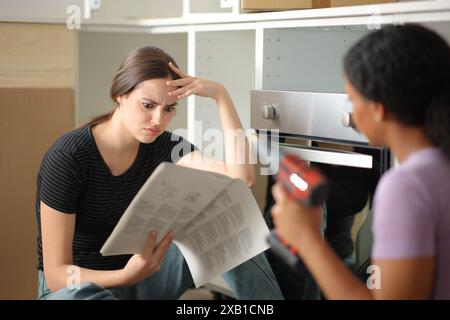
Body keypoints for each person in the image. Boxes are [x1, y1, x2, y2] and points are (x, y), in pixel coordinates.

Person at [36, 46, 283, 300]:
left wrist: (220, 95)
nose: (157, 120)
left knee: (228, 223)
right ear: (121, 95)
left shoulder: (166, 145)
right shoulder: (69, 157)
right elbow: (56, 276)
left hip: (144, 281)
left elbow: (242, 180)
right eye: (148, 105)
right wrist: (125, 276)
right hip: (81, 289)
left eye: (168, 109)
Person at [271, 24, 450, 299]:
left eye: (352, 100)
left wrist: (305, 237)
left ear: (378, 108)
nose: (351, 114)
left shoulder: (407, 185)